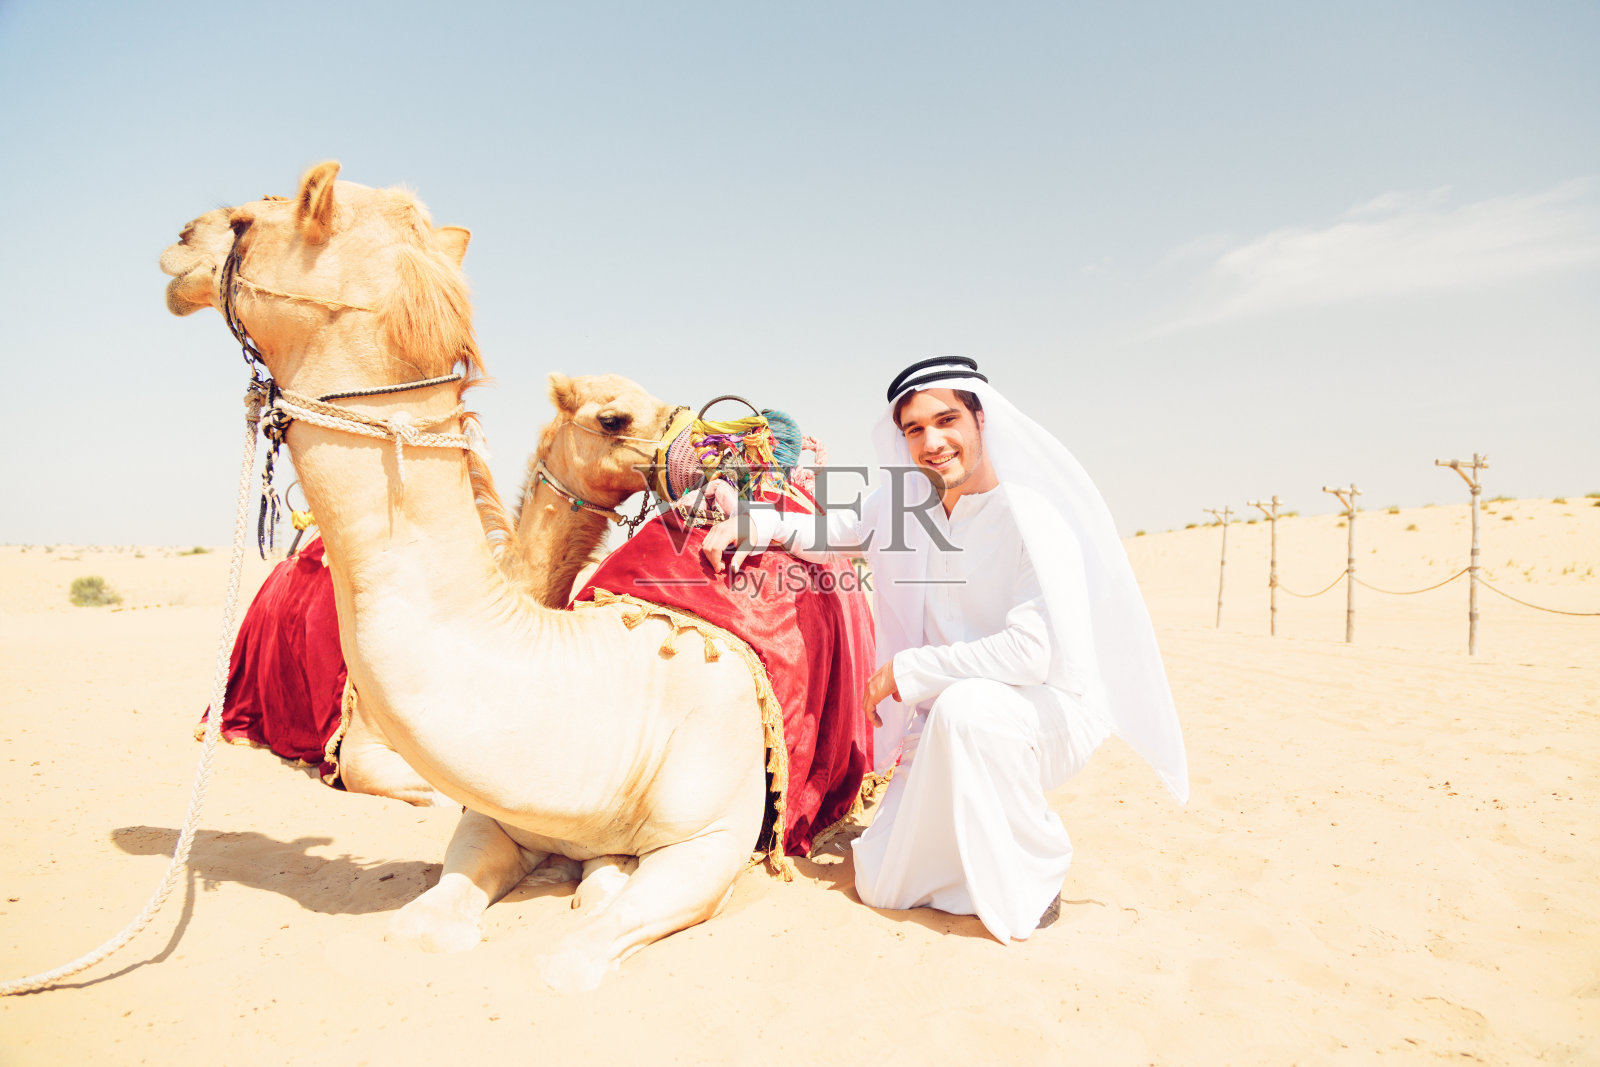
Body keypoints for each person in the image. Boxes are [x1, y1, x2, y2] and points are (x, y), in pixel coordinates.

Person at [702, 357, 1187, 942]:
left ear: (981, 419)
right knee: (884, 883)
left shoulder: (1030, 513)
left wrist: (909, 670)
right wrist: (747, 522)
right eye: (914, 429)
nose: (932, 442)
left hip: (1046, 711)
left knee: (967, 710)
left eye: (946, 420)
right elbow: (827, 536)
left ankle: (1037, 872)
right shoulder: (905, 507)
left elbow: (1030, 655)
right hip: (945, 713)